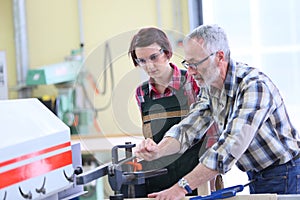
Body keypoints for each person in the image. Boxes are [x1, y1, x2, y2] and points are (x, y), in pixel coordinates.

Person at [135, 24, 300, 200]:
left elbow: (229, 147)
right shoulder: (210, 87)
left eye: (195, 64)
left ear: (219, 57)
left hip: (285, 172)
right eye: (187, 64)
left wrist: (181, 187)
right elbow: (189, 127)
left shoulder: (254, 87)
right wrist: (158, 150)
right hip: (257, 174)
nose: (190, 72)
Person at [125, 27, 220, 197]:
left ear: (167, 53)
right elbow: (150, 136)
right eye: (142, 61)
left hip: (195, 179)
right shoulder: (141, 93)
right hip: (159, 180)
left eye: (154, 57)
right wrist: (146, 147)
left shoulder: (194, 82)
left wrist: (210, 181)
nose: (149, 66)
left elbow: (211, 136)